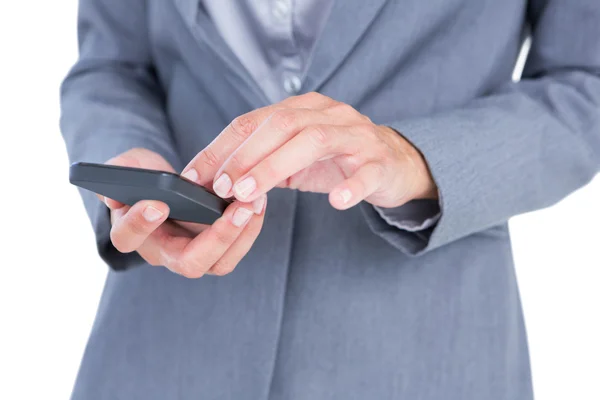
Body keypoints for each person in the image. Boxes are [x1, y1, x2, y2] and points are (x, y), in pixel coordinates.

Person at [60, 0, 600, 399]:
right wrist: (127, 157)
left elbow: (586, 87)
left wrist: (413, 157)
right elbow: (111, 67)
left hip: (422, 351)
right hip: (158, 349)